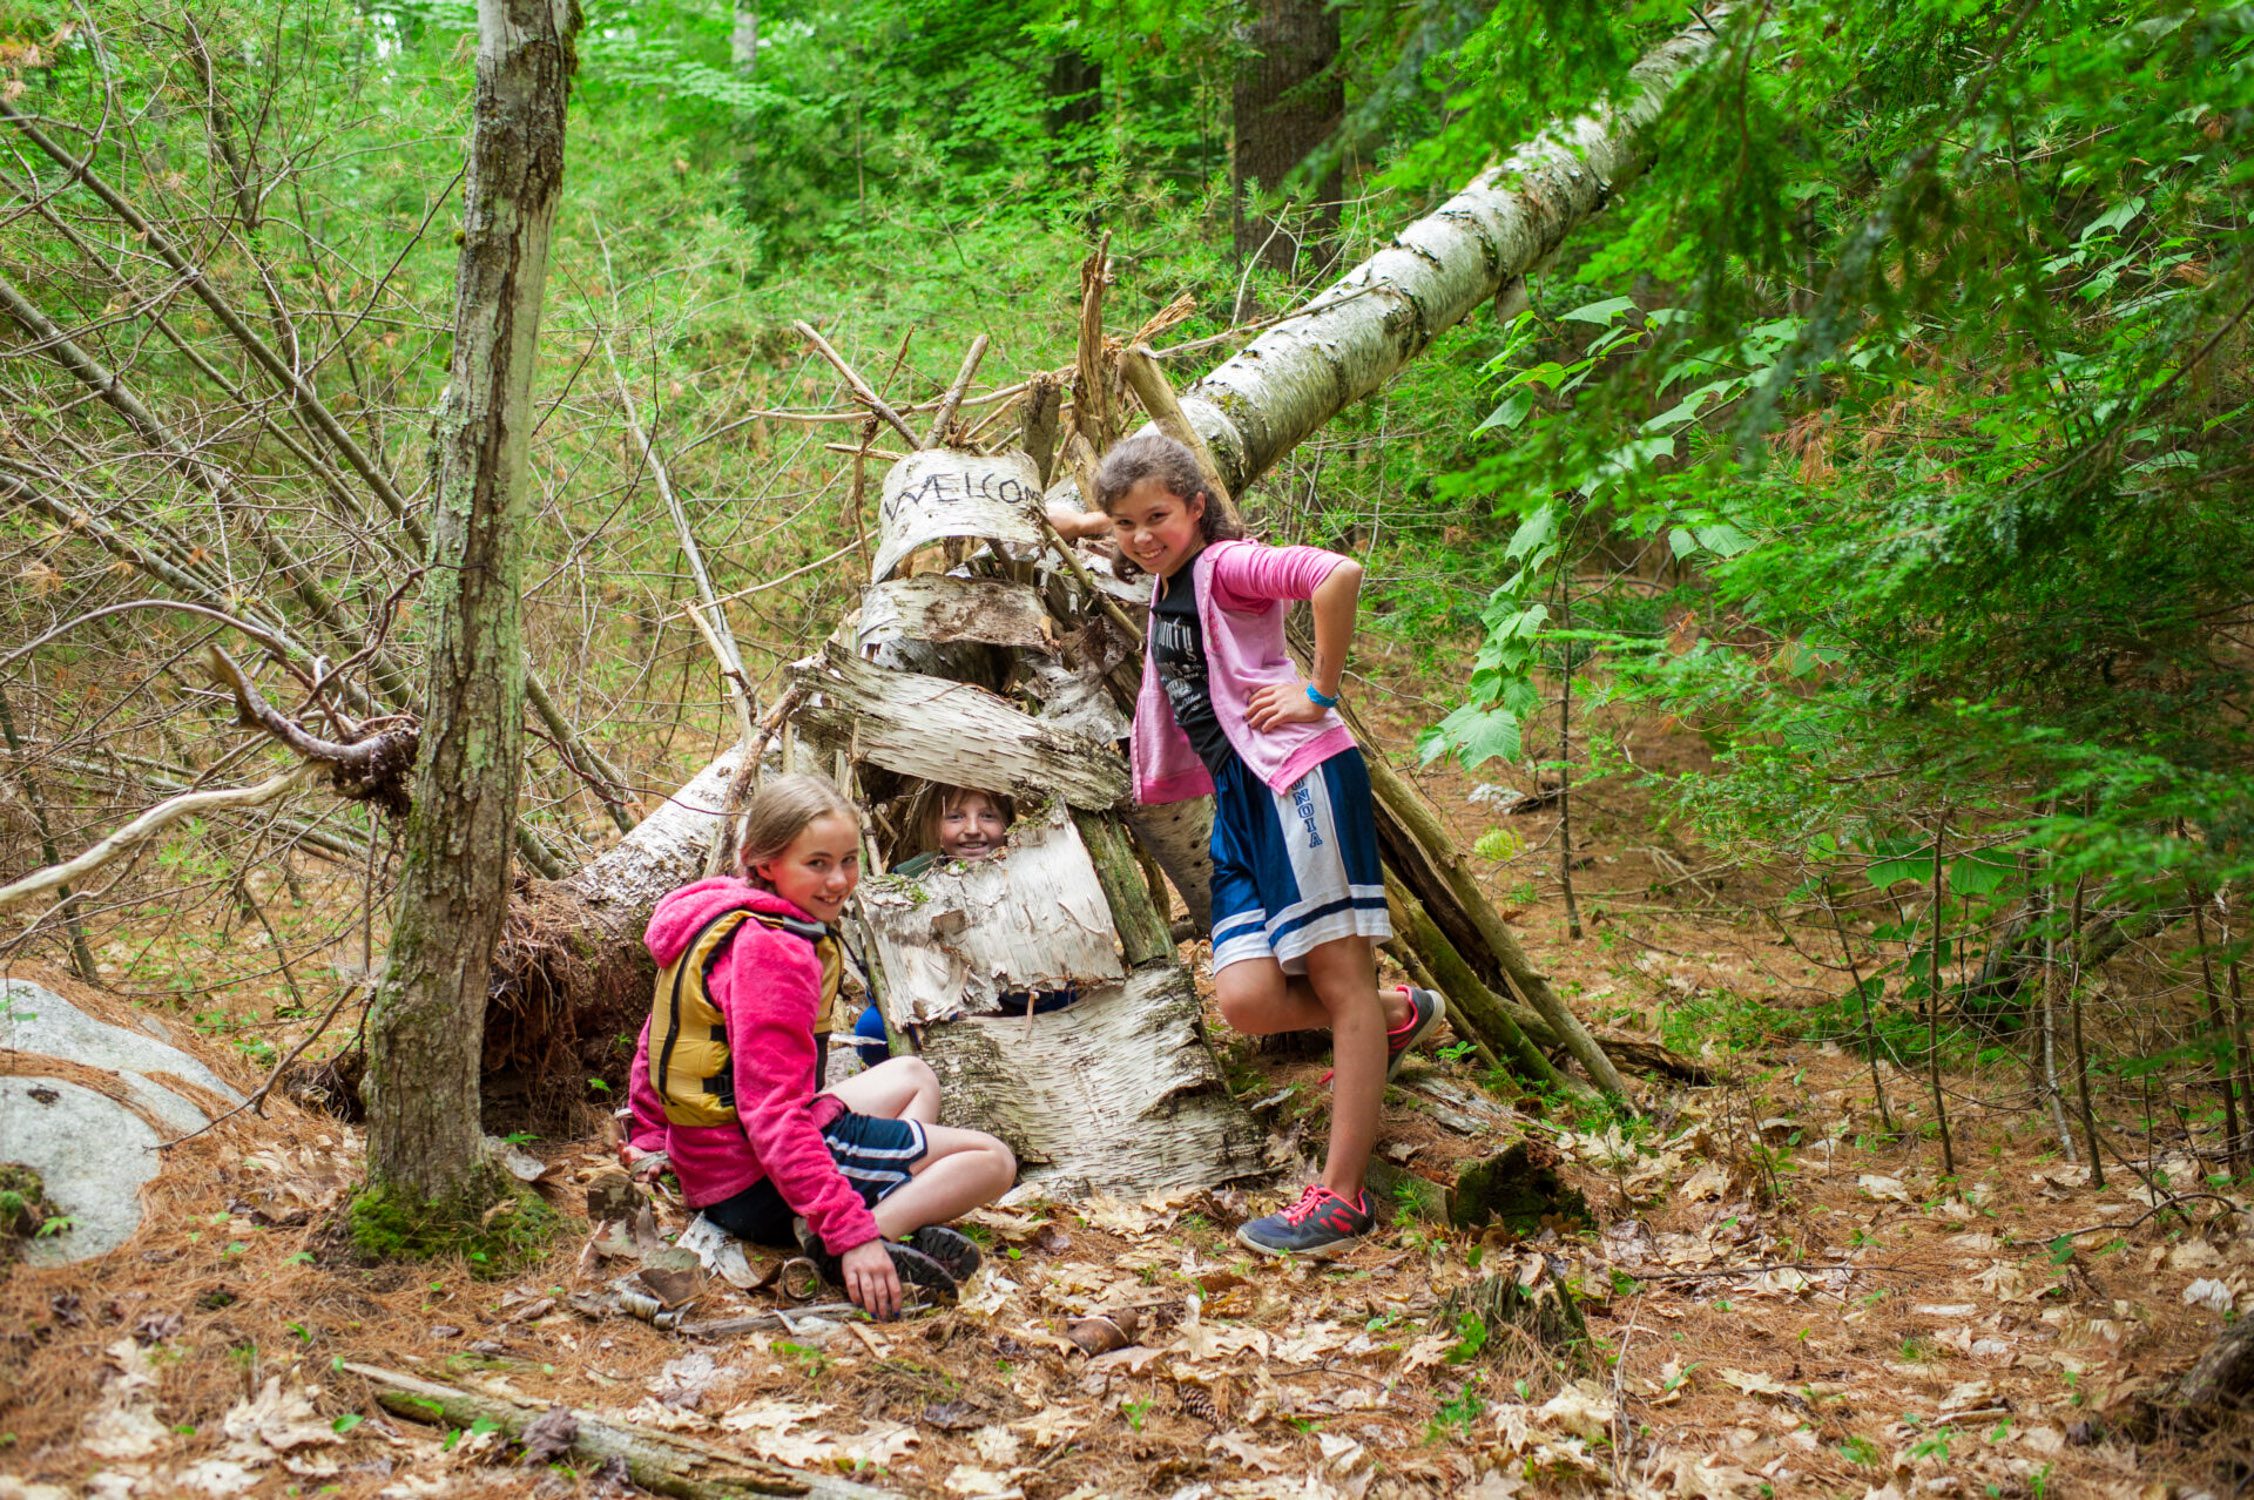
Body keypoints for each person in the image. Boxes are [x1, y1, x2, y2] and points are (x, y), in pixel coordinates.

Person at [1087, 432, 1447, 1258]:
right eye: (1126, 525)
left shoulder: (1227, 566)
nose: (1144, 537)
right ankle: (1397, 1018)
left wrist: (1319, 690)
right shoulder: (1160, 571)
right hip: (1240, 801)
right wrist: (1076, 521)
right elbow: (1098, 523)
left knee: (1340, 980)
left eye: (1160, 518)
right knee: (1247, 999)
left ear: (1197, 509)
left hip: (1298, 784)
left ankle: (1342, 1199)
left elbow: (1336, 574)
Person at [619, 773, 1017, 1318]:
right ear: (764, 862)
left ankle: (882, 1208)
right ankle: (851, 1238)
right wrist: (852, 1234)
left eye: (849, 860)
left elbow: (656, 1040)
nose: (838, 880)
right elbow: (774, 1113)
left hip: (709, 1158)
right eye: (817, 863)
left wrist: (650, 1135)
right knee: (992, 1160)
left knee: (913, 1075)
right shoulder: (774, 952)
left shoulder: (722, 913)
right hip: (749, 1181)